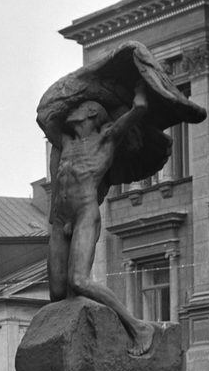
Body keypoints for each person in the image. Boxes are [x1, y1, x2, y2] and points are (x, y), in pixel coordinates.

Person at [41, 81, 157, 355]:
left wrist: (138, 83)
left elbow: (139, 107)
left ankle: (138, 327)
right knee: (58, 294)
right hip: (60, 219)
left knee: (79, 281)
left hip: (84, 213)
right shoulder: (66, 141)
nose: (72, 109)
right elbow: (44, 117)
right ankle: (79, 342)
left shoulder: (105, 139)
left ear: (92, 113)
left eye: (79, 106)